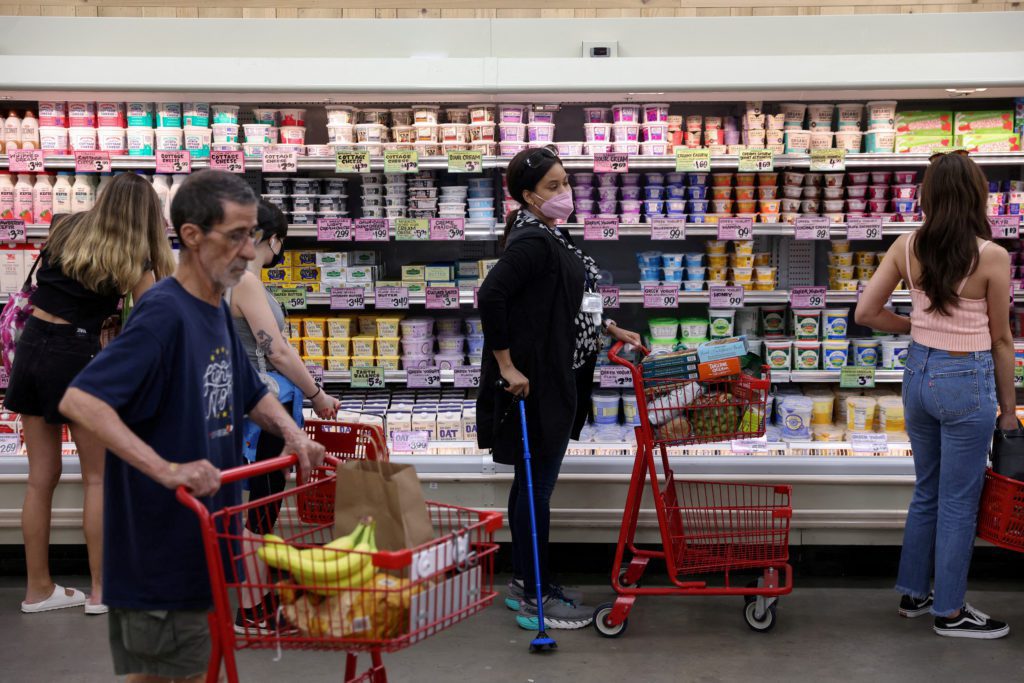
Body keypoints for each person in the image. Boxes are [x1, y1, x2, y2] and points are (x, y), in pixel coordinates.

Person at [59, 170, 326, 682]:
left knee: (193, 667)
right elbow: (82, 400)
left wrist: (294, 435)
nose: (250, 251)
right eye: (236, 236)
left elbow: (250, 393)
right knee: (163, 675)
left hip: (207, 532)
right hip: (159, 542)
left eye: (252, 235)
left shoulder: (215, 310)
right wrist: (166, 469)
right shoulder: (164, 312)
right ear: (191, 236)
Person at [476, 145, 641, 630]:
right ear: (528, 196)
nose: (564, 192)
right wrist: (506, 365)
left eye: (566, 182)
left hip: (555, 375)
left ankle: (528, 583)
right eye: (553, 186)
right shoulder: (533, 240)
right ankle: (535, 596)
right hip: (537, 383)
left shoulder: (550, 234)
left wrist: (608, 327)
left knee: (531, 485)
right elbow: (491, 295)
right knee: (536, 488)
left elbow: (565, 299)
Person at [856, 151, 1015, 639]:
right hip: (966, 381)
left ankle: (915, 594)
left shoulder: (906, 246)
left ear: (927, 196)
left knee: (927, 489)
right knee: (959, 501)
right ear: (976, 195)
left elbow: (866, 312)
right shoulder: (990, 255)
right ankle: (949, 611)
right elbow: (1002, 339)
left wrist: (912, 326)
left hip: (918, 374)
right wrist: (1009, 411)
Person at [9, 172, 175, 615]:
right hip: (77, 356)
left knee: (40, 478)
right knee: (98, 478)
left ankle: (38, 590)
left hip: (31, 348)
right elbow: (156, 318)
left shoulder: (65, 226)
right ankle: (102, 591)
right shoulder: (134, 252)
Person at [229, 200, 339, 631]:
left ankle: (257, 595)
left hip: (244, 408)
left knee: (254, 504)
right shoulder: (246, 280)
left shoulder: (220, 276)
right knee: (261, 507)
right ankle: (254, 610)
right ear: (270, 238)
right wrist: (317, 394)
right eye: (280, 242)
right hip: (263, 412)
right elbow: (274, 350)